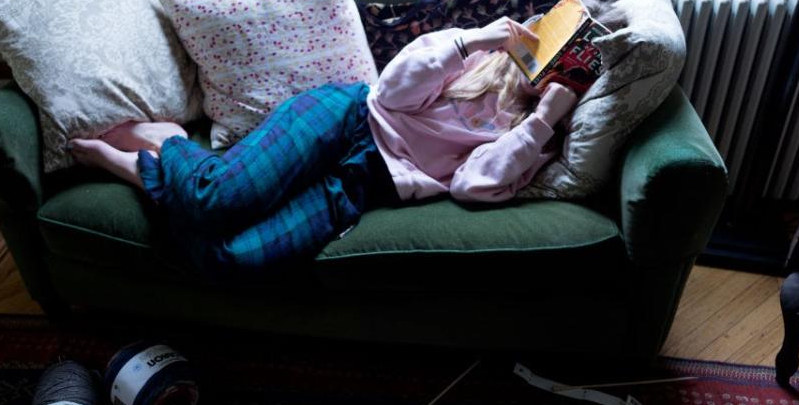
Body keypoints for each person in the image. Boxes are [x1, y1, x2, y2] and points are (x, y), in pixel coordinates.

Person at [69, 16, 578, 272]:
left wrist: (542, 119)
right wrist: (473, 40)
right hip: (345, 118)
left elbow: (471, 185)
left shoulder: (535, 140)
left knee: (232, 256)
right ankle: (171, 141)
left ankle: (151, 166)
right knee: (216, 197)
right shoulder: (476, 53)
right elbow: (394, 92)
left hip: (362, 184)